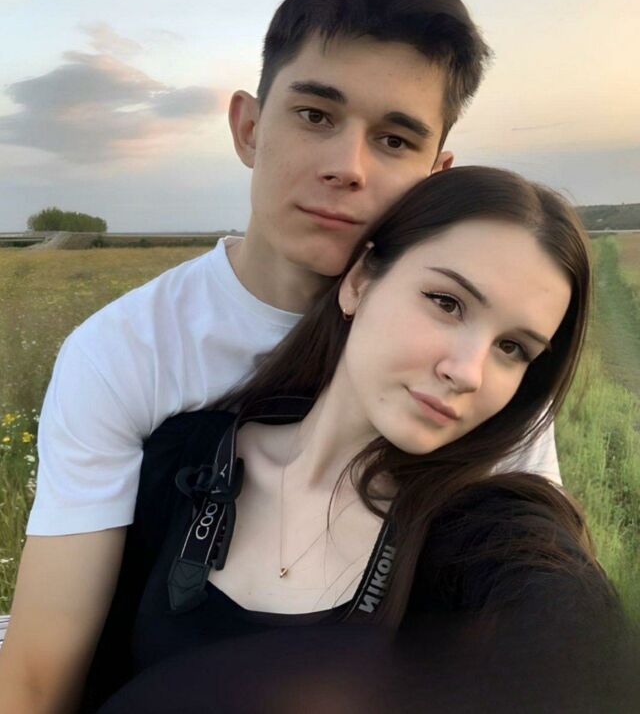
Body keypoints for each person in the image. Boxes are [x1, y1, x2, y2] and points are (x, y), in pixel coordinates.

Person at [0, 0, 560, 713]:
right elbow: (38, 679)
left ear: (437, 176)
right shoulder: (124, 354)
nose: (348, 167)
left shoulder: (476, 376)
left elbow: (538, 594)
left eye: (395, 140)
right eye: (315, 115)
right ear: (249, 127)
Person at [89, 166, 632, 713]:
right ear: (359, 282)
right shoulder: (179, 460)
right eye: (447, 303)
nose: (468, 373)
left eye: (512, 348)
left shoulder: (484, 534)